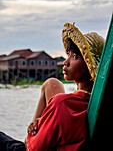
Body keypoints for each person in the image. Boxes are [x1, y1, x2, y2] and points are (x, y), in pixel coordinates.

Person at [0, 23, 104, 151]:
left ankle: (37, 127)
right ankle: (38, 124)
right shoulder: (91, 101)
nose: (66, 62)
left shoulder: (62, 103)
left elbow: (34, 148)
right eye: (68, 55)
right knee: (52, 83)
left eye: (75, 57)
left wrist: (32, 133)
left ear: (88, 68)